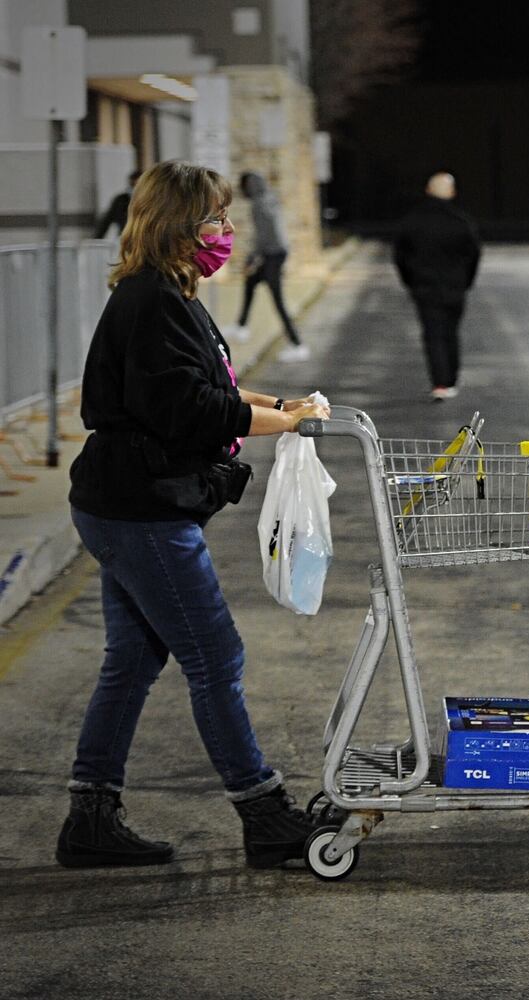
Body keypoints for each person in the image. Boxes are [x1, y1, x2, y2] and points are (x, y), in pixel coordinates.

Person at [59, 160, 332, 870]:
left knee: (132, 661)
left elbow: (215, 387)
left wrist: (281, 406)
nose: (226, 232)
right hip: (141, 511)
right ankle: (263, 811)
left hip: (125, 503)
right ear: (178, 225)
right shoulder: (151, 300)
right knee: (215, 657)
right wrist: (284, 425)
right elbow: (186, 410)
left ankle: (90, 818)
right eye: (214, 219)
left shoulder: (170, 295)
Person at [393, 171, 481, 401]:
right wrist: (466, 281)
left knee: (433, 333)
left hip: (424, 286)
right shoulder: (461, 222)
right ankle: (451, 377)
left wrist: (410, 281)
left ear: (428, 191)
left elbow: (400, 255)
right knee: (451, 332)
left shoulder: (412, 222)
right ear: (452, 192)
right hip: (455, 287)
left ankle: (440, 381)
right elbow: (473, 255)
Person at [225, 171, 307, 361]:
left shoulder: (259, 204)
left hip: (273, 254)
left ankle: (298, 344)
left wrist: (252, 257)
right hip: (276, 252)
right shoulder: (269, 197)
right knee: (251, 282)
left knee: (277, 300)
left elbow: (263, 236)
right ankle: (241, 326)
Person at [93, 170, 141, 239]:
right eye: (133, 185)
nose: (135, 189)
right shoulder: (120, 200)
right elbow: (106, 221)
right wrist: (97, 239)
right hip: (125, 237)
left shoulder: (149, 200)